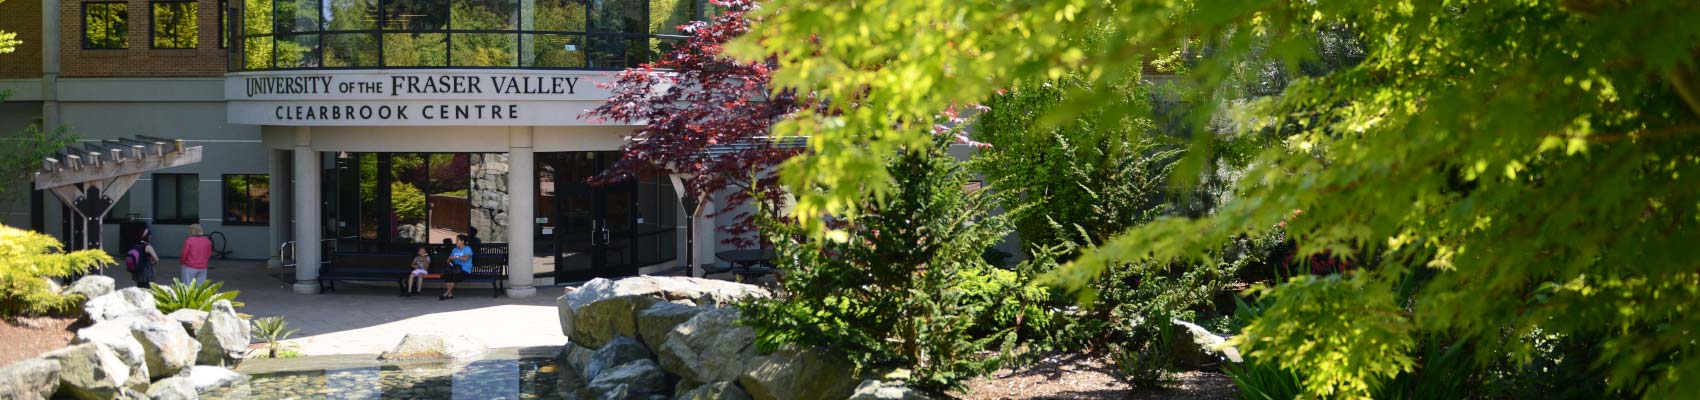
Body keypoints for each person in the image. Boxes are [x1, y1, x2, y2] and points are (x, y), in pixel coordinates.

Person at [441, 234, 473, 300]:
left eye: (457, 240)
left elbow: (465, 259)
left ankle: (446, 293)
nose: (456, 242)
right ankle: (450, 294)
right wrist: (450, 259)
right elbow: (448, 261)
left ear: (462, 241)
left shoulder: (467, 249)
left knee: (456, 276)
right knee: (447, 275)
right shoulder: (454, 250)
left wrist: (456, 257)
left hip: (465, 270)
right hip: (455, 268)